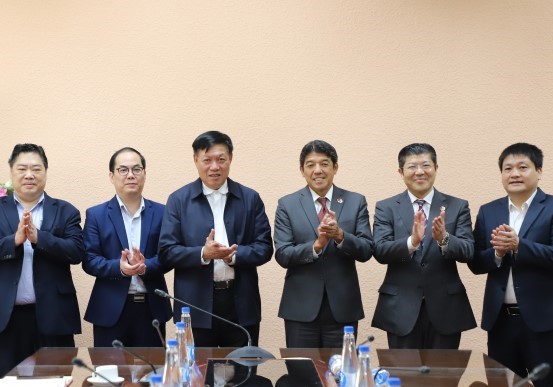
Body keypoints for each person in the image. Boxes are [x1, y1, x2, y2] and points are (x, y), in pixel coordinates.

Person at [468, 143, 553, 387]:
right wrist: (497, 253)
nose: (514, 174)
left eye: (522, 167)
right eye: (508, 169)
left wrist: (519, 245)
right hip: (500, 322)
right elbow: (475, 263)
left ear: (539, 171)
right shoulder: (488, 210)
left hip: (544, 322)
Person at [0, 143, 84, 379]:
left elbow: (77, 252)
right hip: (8, 317)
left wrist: (39, 238)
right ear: (12, 172)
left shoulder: (66, 211)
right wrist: (13, 240)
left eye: (36, 169)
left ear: (45, 172)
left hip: (54, 315)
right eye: (22, 169)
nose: (29, 175)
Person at [159, 130, 273, 347]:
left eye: (221, 159)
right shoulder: (178, 200)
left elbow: (265, 247)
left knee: (243, 367)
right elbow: (166, 251)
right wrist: (203, 254)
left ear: (231, 159)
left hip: (240, 304)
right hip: (195, 305)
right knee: (198, 368)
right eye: (207, 160)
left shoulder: (250, 198)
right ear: (195, 160)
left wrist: (233, 256)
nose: (214, 167)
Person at [371, 143, 476, 349]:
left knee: (444, 370)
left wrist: (444, 239)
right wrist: (411, 242)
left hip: (446, 308)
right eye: (412, 166)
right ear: (401, 172)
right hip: (400, 308)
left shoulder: (457, 205)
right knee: (403, 370)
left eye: (426, 165)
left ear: (436, 168)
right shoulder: (386, 207)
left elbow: (468, 251)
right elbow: (380, 251)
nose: (419, 171)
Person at [274, 140, 373, 348]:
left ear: (335, 167)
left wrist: (340, 236)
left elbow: (366, 250)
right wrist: (316, 246)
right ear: (302, 170)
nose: (318, 170)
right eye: (310, 165)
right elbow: (283, 254)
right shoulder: (287, 204)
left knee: (341, 368)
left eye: (324, 164)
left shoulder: (355, 201)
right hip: (300, 308)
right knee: (301, 367)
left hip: (343, 308)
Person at [82, 147, 172, 347]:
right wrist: (120, 268)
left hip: (151, 309)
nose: (130, 175)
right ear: (111, 176)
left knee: (152, 367)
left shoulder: (162, 212)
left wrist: (145, 266)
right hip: (109, 309)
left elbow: (168, 255)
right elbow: (89, 260)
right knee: (109, 367)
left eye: (136, 169)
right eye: (123, 170)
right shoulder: (96, 214)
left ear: (144, 174)